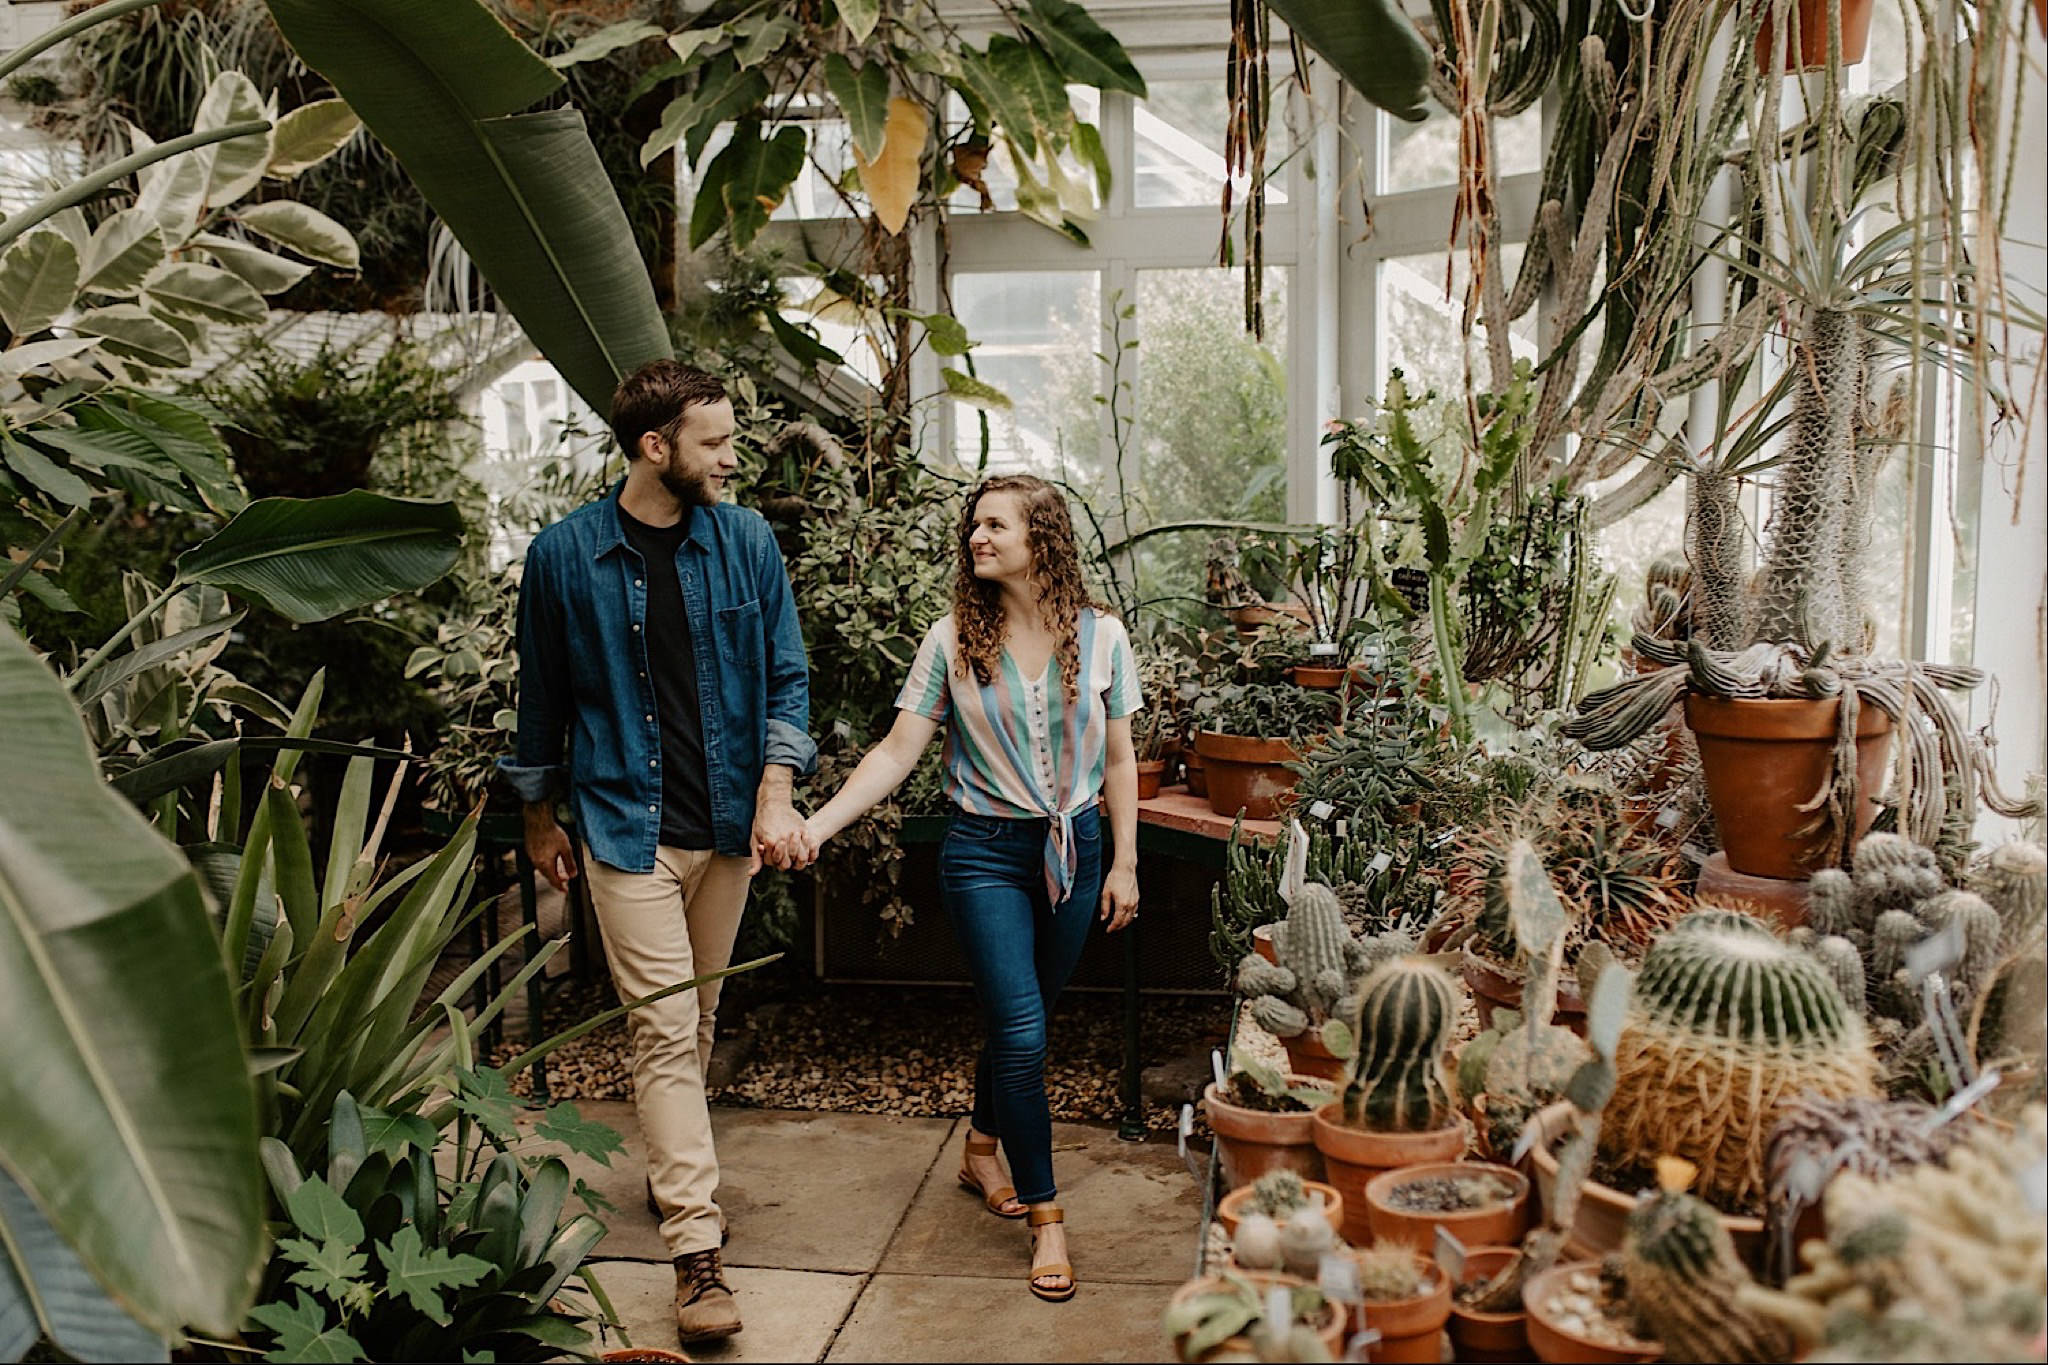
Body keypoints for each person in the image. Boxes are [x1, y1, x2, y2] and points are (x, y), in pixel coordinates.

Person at [499, 360, 817, 1345]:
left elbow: (786, 677)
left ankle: (673, 1165)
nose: (731, 458)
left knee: (697, 1015)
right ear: (654, 448)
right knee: (665, 1029)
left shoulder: (747, 541)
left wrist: (775, 791)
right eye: (714, 443)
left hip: (726, 829)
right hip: (623, 829)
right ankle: (695, 1249)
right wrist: (539, 819)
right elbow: (541, 697)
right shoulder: (565, 557)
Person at [803, 473, 1142, 1302]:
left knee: (1021, 1017)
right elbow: (894, 751)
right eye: (973, 526)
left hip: (1077, 845)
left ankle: (981, 1145)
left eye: (995, 525)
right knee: (1023, 1030)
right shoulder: (951, 639)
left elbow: (1123, 758)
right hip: (985, 851)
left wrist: (1126, 862)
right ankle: (1047, 1218)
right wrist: (815, 826)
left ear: (1042, 539)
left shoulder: (1102, 638)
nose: (976, 538)